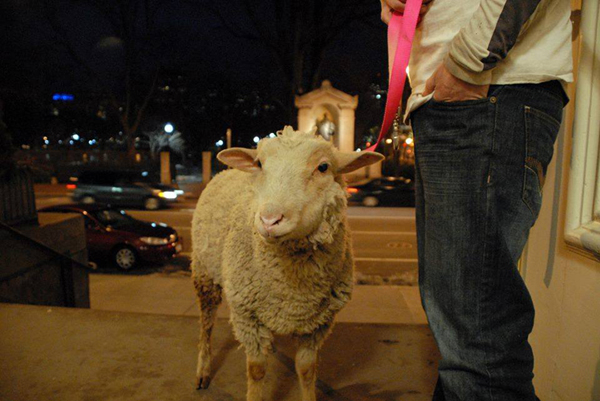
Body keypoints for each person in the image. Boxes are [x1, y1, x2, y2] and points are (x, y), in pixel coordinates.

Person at [380, 0, 573, 400]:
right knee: (463, 340)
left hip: (482, 89)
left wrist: (467, 60)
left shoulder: (473, 70)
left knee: (478, 350)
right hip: (461, 97)